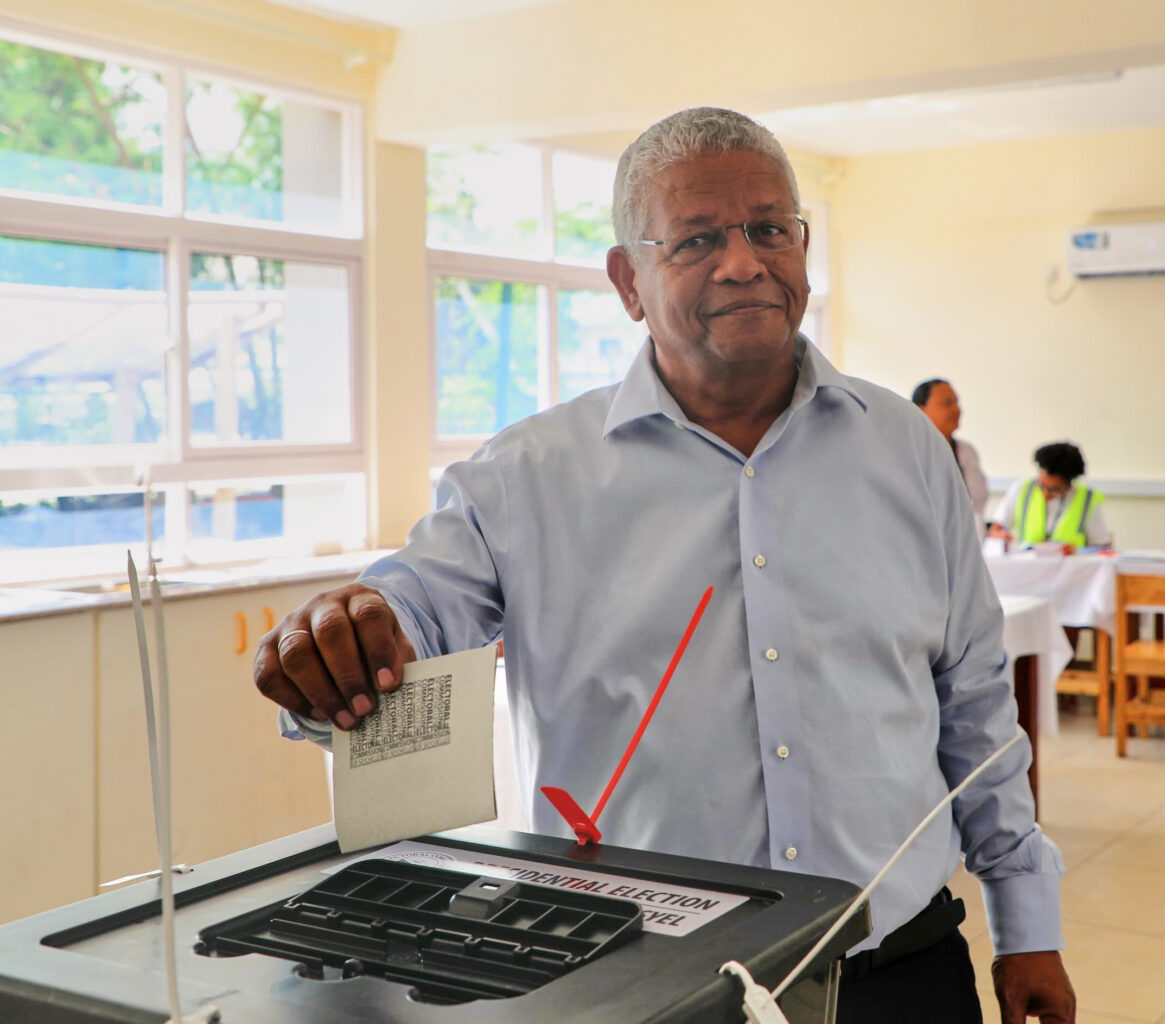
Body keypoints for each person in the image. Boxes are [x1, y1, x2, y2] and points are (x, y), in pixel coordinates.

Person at [253, 108, 1073, 1024]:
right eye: (696, 240)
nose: (743, 261)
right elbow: (412, 605)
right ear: (627, 281)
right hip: (633, 984)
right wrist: (347, 640)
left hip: (897, 969)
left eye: (770, 229)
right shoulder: (528, 477)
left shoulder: (911, 455)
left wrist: (1027, 920)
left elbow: (975, 704)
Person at [997, 442, 1110, 550]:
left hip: (1070, 568)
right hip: (1028, 566)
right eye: (1042, 486)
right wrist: (1000, 534)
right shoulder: (1022, 489)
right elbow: (998, 525)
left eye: (1053, 490)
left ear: (1069, 483)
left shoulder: (1086, 499)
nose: (1045, 494)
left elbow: (1100, 545)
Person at [912, 378, 989, 520]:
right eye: (947, 403)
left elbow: (976, 506)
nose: (957, 409)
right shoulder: (911, 454)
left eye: (956, 402)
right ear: (920, 410)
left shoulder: (966, 452)